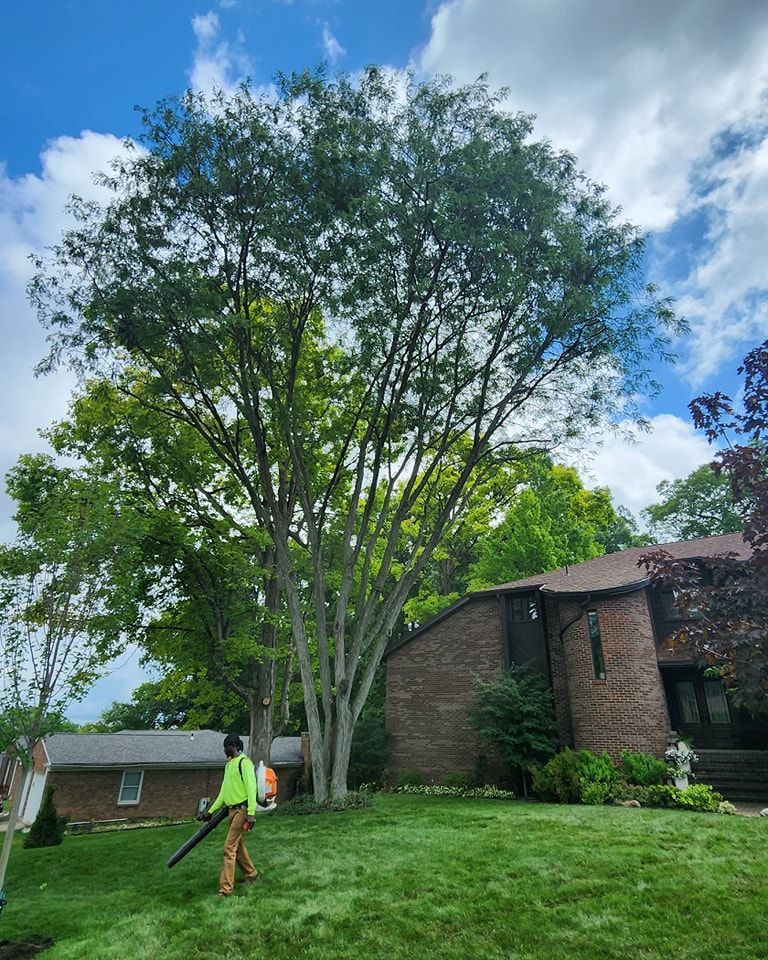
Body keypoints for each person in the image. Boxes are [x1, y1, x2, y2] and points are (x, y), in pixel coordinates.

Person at [200, 733, 260, 897]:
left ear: (232, 746)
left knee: (229, 848)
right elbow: (223, 793)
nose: (224, 750)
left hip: (242, 811)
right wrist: (210, 811)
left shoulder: (244, 763)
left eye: (225, 747)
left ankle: (225, 889)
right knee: (237, 846)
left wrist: (251, 813)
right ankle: (252, 874)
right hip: (231, 811)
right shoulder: (229, 765)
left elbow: (251, 788)